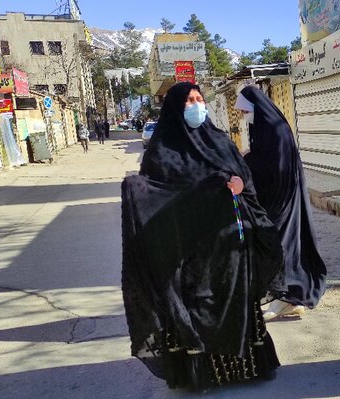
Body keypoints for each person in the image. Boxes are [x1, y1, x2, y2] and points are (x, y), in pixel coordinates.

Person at [121, 82, 284, 391]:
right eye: (189, 101)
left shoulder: (221, 142)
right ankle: (202, 374)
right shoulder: (161, 150)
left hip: (230, 246)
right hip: (189, 251)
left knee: (235, 302)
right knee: (197, 307)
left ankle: (245, 367)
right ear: (175, 109)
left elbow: (245, 183)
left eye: (200, 99)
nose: (197, 105)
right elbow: (158, 197)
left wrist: (239, 187)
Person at [234, 86, 327, 321]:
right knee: (284, 246)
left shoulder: (275, 129)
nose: (245, 117)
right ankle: (290, 298)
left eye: (245, 111)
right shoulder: (266, 127)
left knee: (280, 246)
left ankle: (286, 297)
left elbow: (275, 166)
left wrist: (248, 159)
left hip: (282, 200)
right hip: (276, 197)